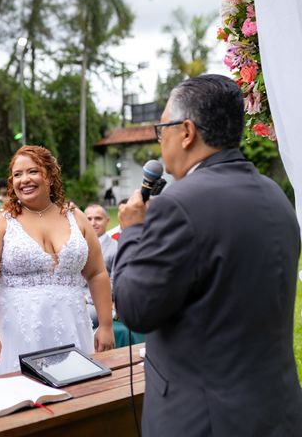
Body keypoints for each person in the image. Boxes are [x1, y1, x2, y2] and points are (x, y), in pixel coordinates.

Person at [113, 75, 302, 436]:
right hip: (278, 409)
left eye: (161, 128)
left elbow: (136, 309)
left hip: (206, 419)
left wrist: (133, 230)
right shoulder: (275, 195)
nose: (160, 139)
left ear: (186, 132)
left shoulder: (178, 205)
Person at [0, 145, 114, 385]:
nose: (24, 180)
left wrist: (105, 325)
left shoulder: (76, 217)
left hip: (72, 324)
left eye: (33, 171)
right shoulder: (1, 221)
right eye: (17, 174)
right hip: (16, 330)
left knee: (76, 393)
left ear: (50, 174)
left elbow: (97, 274)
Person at [83, 204, 118, 326]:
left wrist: (87, 299)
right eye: (88, 219)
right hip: (73, 299)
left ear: (107, 221)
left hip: (98, 303)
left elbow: (114, 283)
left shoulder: (116, 248)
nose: (93, 223)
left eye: (98, 218)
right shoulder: (77, 247)